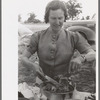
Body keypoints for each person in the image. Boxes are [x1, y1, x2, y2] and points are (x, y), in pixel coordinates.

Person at [21, 0, 95, 82]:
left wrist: (81, 58)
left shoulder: (74, 37)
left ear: (65, 17)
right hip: (42, 82)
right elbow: (23, 58)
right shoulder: (37, 36)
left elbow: (93, 54)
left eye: (60, 18)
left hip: (64, 84)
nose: (57, 22)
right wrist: (32, 65)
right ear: (47, 18)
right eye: (53, 18)